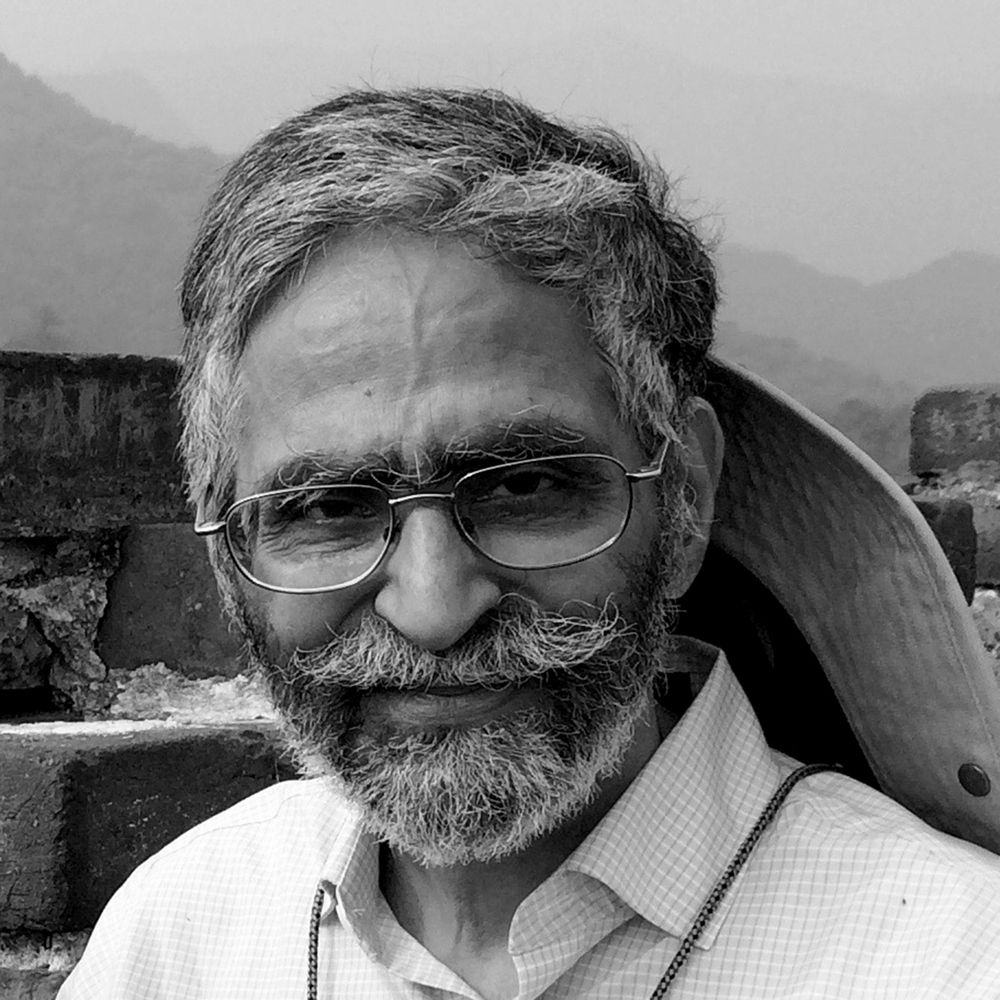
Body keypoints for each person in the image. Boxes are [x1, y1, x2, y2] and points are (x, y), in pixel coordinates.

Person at [60, 87, 1000, 999]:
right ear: (228, 551)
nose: (431, 609)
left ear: (682, 498)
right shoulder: (183, 937)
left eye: (521, 487)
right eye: (327, 507)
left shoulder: (947, 959)